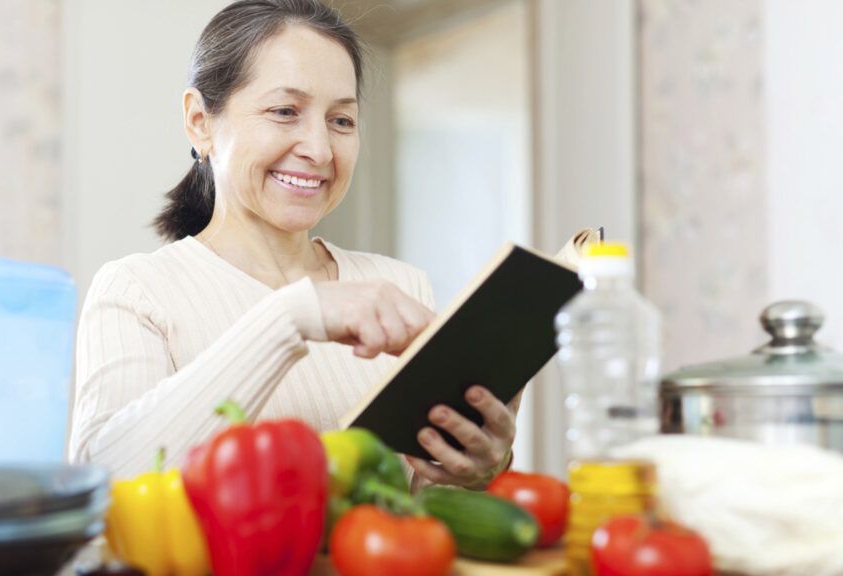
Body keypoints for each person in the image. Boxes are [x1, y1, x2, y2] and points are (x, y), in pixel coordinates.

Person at [68, 0, 590, 490]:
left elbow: (410, 516)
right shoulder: (137, 291)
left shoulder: (400, 285)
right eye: (284, 111)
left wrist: (474, 471)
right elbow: (104, 486)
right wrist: (294, 316)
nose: (319, 150)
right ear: (200, 122)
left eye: (341, 120)